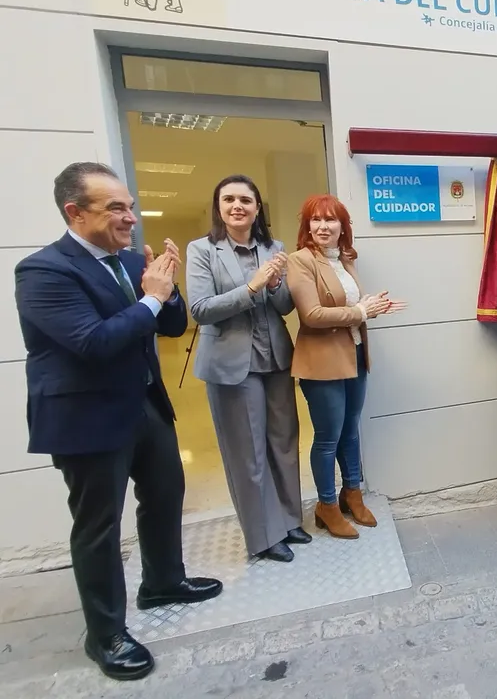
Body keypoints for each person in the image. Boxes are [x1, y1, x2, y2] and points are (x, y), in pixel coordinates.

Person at [14, 162, 222, 681]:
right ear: (75, 212)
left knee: (165, 494)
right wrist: (152, 296)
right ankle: (105, 633)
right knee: (99, 526)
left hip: (144, 403)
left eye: (129, 206)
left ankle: (163, 582)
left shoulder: (131, 262)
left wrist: (168, 289)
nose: (131, 218)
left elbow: (171, 326)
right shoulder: (43, 272)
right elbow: (94, 342)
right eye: (115, 208)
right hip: (87, 416)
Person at [186, 175, 308, 564]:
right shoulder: (202, 250)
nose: (237, 206)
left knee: (284, 443)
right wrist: (253, 287)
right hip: (231, 364)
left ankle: (289, 520)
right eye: (229, 200)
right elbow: (201, 309)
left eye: (245, 200)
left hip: (275, 358)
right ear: (219, 207)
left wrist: (274, 286)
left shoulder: (275, 248)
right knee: (248, 453)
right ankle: (263, 535)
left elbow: (285, 305)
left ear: (257, 209)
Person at [286, 195, 404, 540]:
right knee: (328, 438)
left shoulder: (345, 258)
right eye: (316, 220)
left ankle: (352, 494)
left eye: (331, 220)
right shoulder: (300, 261)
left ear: (342, 227)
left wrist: (374, 306)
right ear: (307, 226)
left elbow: (353, 306)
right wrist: (362, 311)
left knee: (351, 431)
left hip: (355, 354)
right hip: (321, 362)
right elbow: (312, 315)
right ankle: (326, 505)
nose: (323, 227)